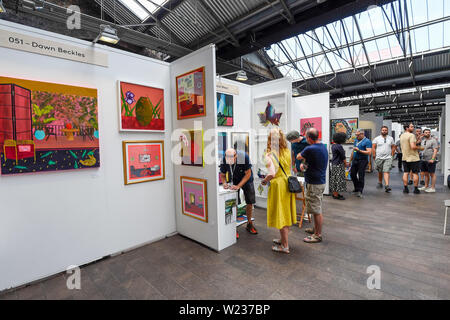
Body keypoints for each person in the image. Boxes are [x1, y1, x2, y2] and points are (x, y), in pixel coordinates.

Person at [261, 128, 296, 253]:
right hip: (287, 183)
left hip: (278, 186)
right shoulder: (287, 150)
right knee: (285, 213)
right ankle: (283, 239)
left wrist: (264, 180)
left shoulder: (269, 154)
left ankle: (285, 246)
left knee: (280, 214)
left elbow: (271, 173)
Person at [296, 127, 328, 243]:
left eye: (306, 137)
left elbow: (298, 156)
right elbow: (312, 163)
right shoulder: (322, 147)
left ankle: (318, 235)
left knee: (316, 210)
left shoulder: (311, 148)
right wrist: (304, 166)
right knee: (316, 208)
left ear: (309, 138)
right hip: (319, 181)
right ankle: (315, 229)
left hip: (315, 183)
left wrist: (302, 160)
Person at [220, 148, 258, 236]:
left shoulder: (244, 157)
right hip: (234, 179)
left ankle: (249, 223)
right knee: (234, 203)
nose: (229, 161)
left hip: (247, 179)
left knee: (249, 202)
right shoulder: (224, 160)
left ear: (236, 156)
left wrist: (239, 186)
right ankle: (233, 227)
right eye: (227, 159)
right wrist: (225, 183)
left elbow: (248, 174)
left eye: (231, 160)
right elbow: (222, 175)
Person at [400, 123, 424, 194]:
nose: (413, 128)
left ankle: (405, 189)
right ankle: (416, 189)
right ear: (407, 128)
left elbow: (410, 144)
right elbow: (413, 147)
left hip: (405, 157)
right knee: (415, 173)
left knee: (406, 173)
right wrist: (421, 148)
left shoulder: (402, 135)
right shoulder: (411, 135)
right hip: (413, 158)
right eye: (411, 127)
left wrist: (418, 140)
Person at [349, 129, 372, 198]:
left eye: (358, 135)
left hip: (363, 160)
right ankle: (356, 188)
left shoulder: (367, 141)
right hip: (355, 160)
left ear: (362, 134)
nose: (357, 136)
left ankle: (360, 191)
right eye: (356, 135)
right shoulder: (356, 140)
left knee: (361, 175)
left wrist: (359, 150)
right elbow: (354, 151)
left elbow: (369, 152)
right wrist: (350, 160)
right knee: (352, 174)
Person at [372, 126, 396, 193]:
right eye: (383, 130)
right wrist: (374, 155)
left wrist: (392, 155)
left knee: (386, 171)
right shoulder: (376, 139)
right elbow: (373, 147)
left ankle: (387, 185)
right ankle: (380, 182)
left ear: (387, 131)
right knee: (380, 171)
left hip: (388, 158)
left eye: (385, 130)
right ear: (381, 131)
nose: (384, 131)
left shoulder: (390, 138)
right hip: (379, 157)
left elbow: (393, 147)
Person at [419, 129, 439, 193]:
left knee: (432, 174)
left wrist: (433, 159)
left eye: (429, 132)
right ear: (423, 133)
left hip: (430, 160)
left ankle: (433, 188)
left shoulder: (433, 140)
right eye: (426, 132)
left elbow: (435, 150)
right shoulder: (423, 140)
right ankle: (426, 186)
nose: (428, 133)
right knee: (426, 174)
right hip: (423, 159)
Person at [330, 132, 347, 200]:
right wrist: (346, 164)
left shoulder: (333, 145)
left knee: (334, 179)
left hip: (334, 164)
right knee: (338, 180)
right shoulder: (339, 146)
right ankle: (336, 195)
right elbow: (343, 157)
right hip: (338, 164)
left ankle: (335, 193)